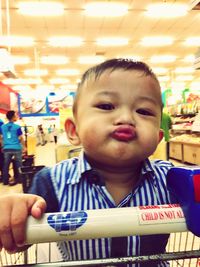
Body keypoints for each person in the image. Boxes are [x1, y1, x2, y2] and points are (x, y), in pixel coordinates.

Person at [0, 59, 176, 266]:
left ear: (158, 137)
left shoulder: (171, 179)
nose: (126, 117)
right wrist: (15, 215)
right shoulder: (52, 182)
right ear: (74, 131)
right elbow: (20, 242)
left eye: (144, 111)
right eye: (106, 106)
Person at [0, 110, 26, 185]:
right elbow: (21, 138)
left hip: (6, 148)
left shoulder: (2, 127)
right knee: (19, 164)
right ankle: (21, 180)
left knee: (6, 165)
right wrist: (24, 147)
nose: (17, 116)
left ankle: (5, 181)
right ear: (13, 117)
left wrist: (2, 146)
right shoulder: (17, 127)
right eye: (15, 115)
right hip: (16, 148)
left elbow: (1, 138)